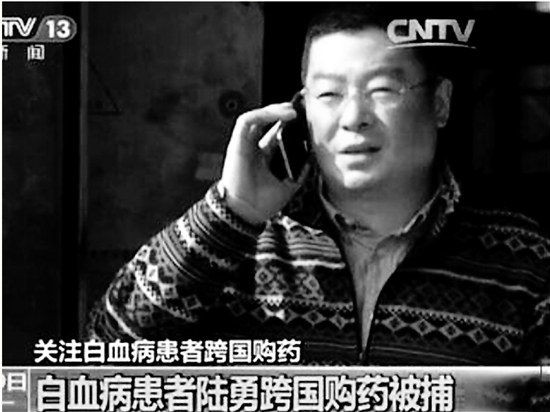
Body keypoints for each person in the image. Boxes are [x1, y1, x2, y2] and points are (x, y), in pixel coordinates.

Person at [89, 4, 548, 396]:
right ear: (300, 110)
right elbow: (103, 357)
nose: (353, 117)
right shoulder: (236, 250)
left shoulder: (521, 260)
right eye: (329, 94)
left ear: (441, 103)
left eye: (382, 90)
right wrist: (231, 214)